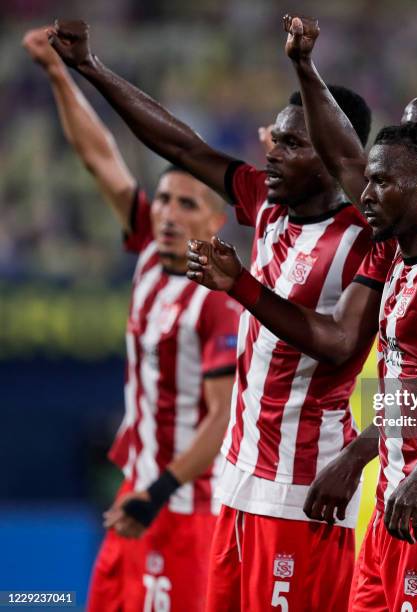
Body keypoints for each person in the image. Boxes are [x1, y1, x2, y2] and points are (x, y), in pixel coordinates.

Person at [47, 18, 377, 611]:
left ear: (333, 154)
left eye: (294, 143)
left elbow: (339, 342)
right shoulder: (265, 204)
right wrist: (91, 69)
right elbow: (180, 146)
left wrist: (241, 286)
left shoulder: (365, 239)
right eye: (275, 138)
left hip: (303, 488)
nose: (272, 152)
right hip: (237, 480)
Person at [188, 121, 417, 611]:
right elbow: (416, 393)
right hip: (396, 510)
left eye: (382, 181)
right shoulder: (401, 264)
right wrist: (357, 456)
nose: (365, 193)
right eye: (369, 180)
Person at [23, 27, 239, 612]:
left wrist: (159, 490)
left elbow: (222, 419)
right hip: (138, 493)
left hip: (185, 509)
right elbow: (101, 158)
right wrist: (56, 73)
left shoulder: (217, 298)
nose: (167, 212)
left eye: (187, 203)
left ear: (216, 223)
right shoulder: (148, 248)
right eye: (164, 199)